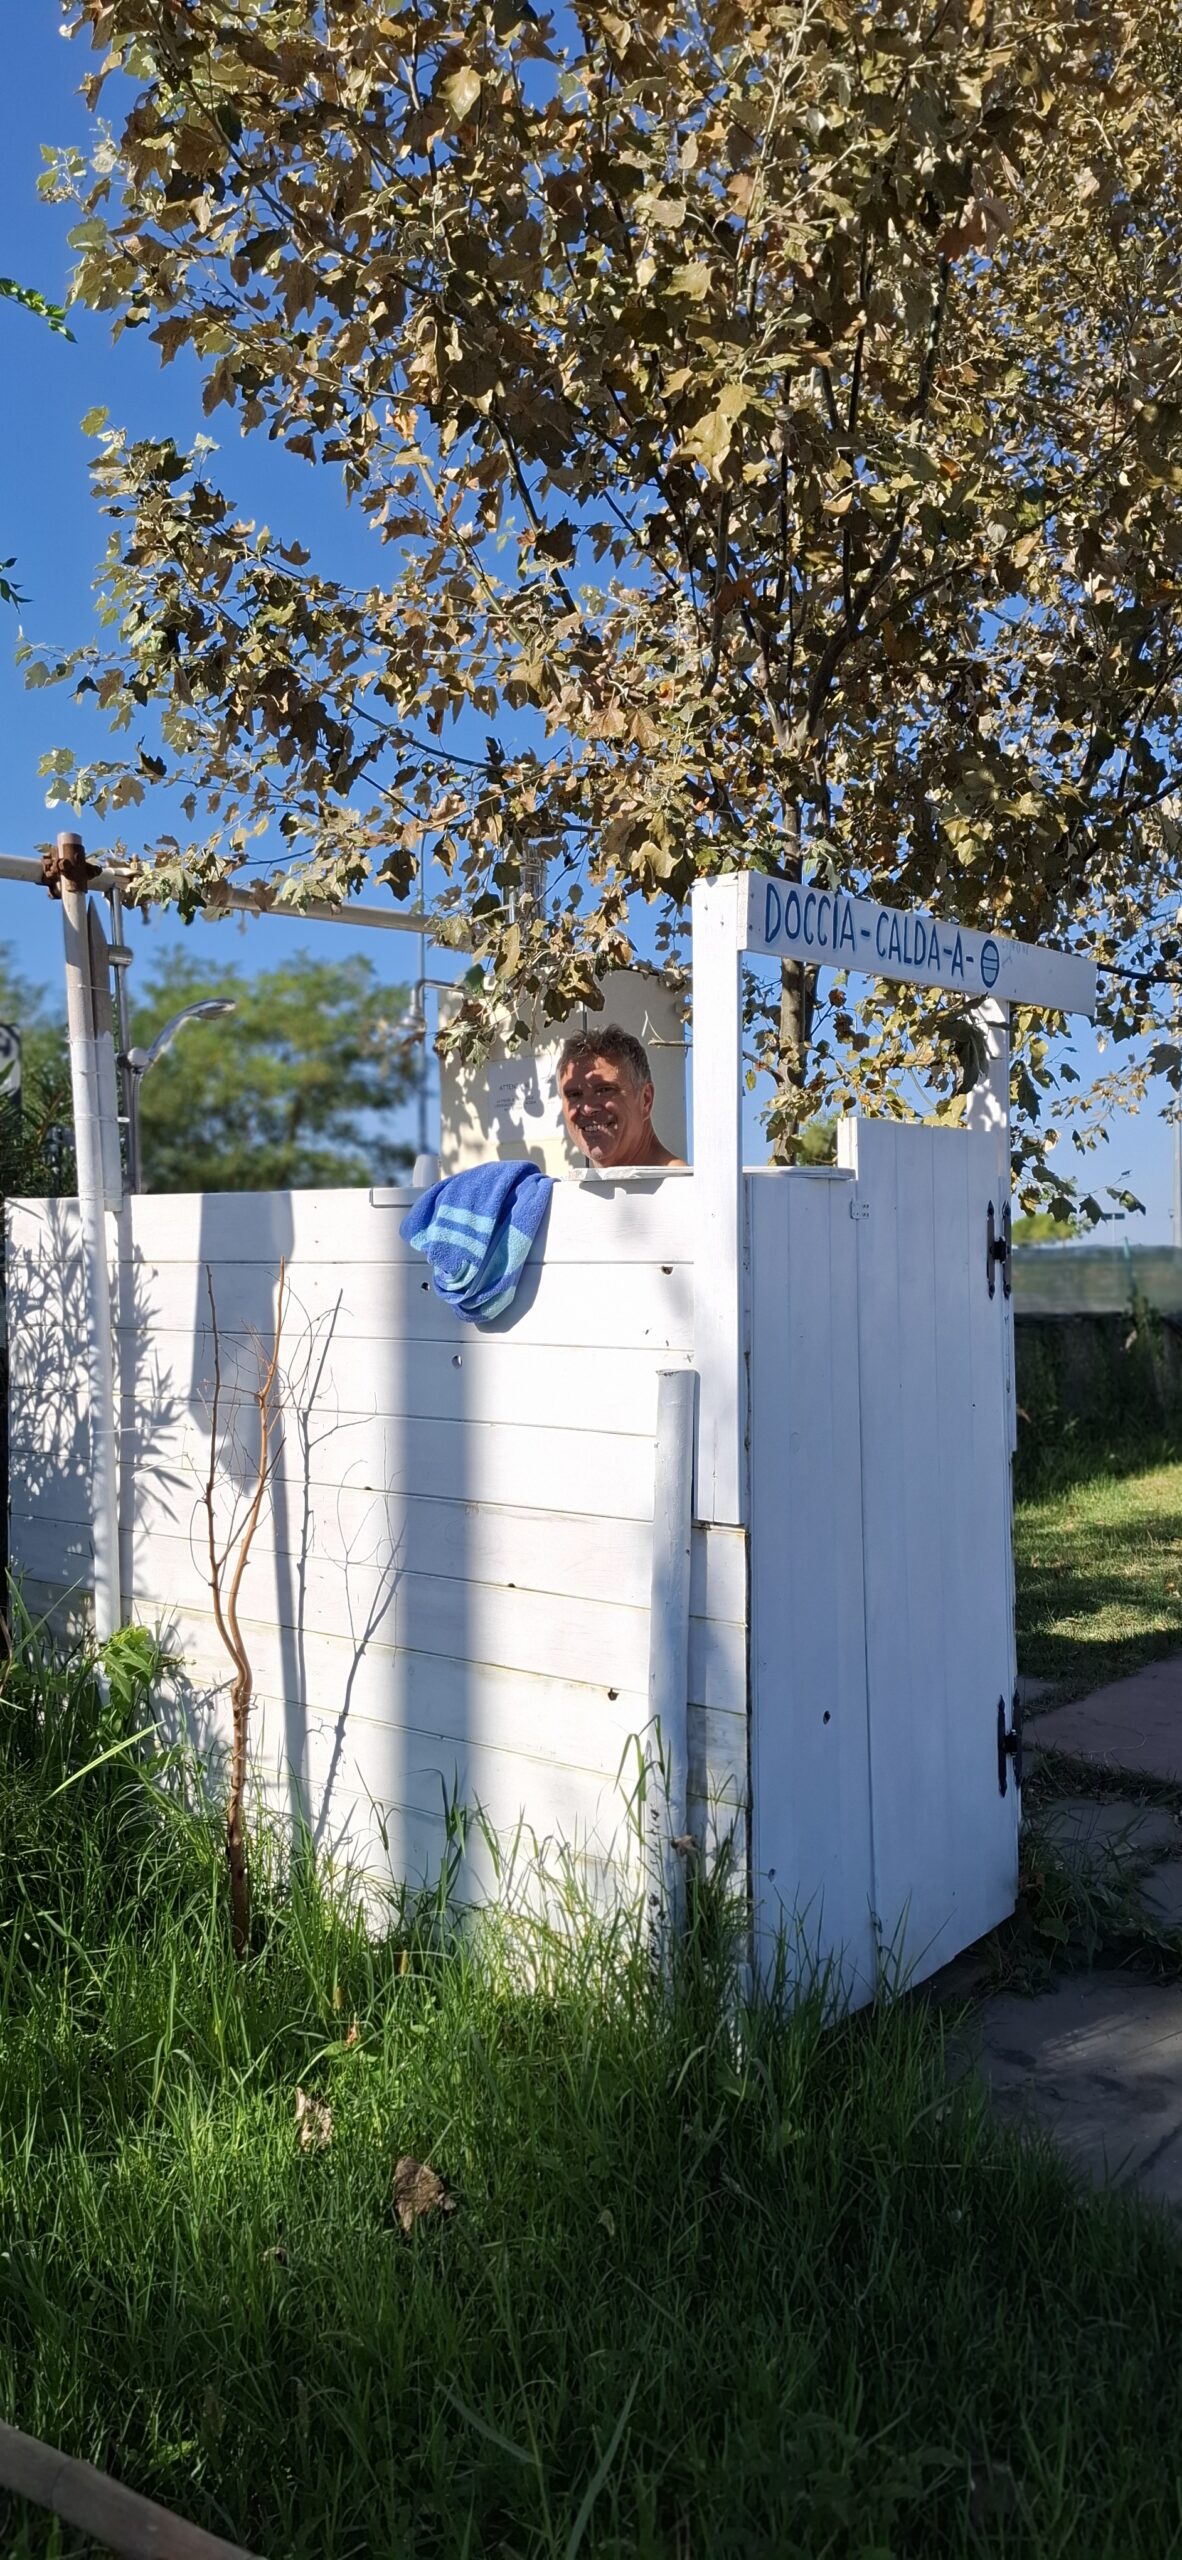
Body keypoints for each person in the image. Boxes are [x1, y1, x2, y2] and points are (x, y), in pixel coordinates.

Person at [557, 1025, 684, 1170]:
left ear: (646, 1100)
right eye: (574, 1095)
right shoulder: (574, 1185)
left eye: (604, 1090)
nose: (587, 1109)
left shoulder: (680, 1183)